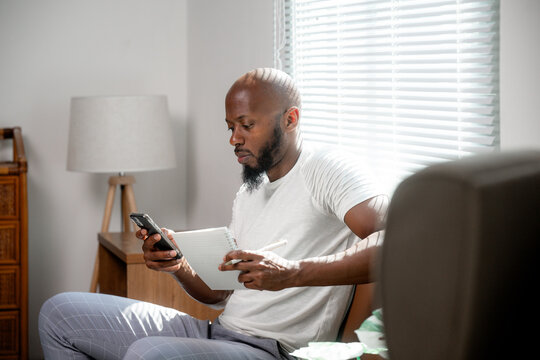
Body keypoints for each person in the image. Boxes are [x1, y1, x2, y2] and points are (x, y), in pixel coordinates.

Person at [39, 68, 388, 359]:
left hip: (275, 351)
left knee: (150, 354)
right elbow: (221, 294)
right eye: (229, 127)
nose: (234, 138)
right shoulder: (250, 189)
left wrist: (292, 273)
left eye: (246, 125)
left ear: (290, 119)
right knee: (59, 313)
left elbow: (398, 241)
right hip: (220, 333)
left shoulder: (327, 169)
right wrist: (178, 266)